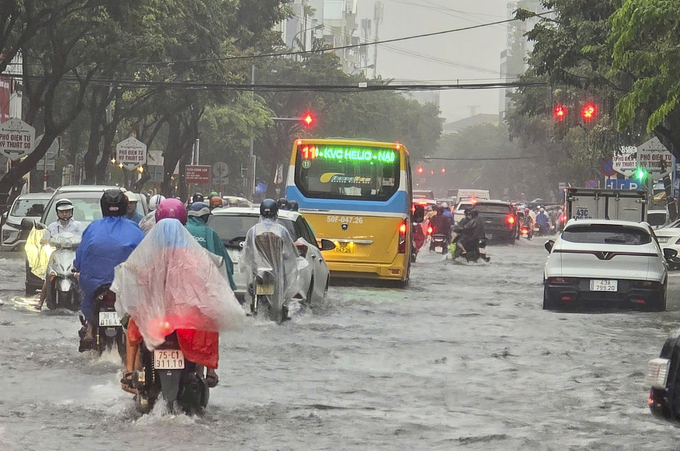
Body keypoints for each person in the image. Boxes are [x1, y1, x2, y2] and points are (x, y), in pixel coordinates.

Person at [114, 200, 244, 392]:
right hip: (186, 318)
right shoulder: (196, 255)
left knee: (134, 322)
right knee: (210, 323)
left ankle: (128, 372)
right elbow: (209, 281)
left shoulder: (152, 253)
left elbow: (140, 275)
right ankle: (210, 372)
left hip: (159, 317)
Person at [73, 189, 145, 351]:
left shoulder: (92, 228)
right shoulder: (135, 229)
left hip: (95, 283)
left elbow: (81, 254)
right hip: (126, 284)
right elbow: (144, 256)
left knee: (87, 297)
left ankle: (91, 328)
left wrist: (77, 267)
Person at [241, 199, 300, 321]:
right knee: (282, 294)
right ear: (276, 213)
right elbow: (290, 252)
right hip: (277, 271)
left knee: (253, 289)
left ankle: (255, 308)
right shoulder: (281, 231)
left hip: (259, 271)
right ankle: (282, 309)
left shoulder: (253, 231)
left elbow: (247, 251)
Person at [37, 199, 85, 310]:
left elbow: (85, 238)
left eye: (67, 211)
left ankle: (86, 300)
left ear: (71, 212)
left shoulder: (78, 226)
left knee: (81, 276)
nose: (65, 214)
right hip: (57, 253)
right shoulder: (52, 226)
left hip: (74, 253)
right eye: (62, 212)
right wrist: (45, 241)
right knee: (49, 276)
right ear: (57, 213)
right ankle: (41, 301)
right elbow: (45, 238)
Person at [186, 201, 237, 292]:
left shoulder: (181, 229)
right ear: (204, 216)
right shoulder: (210, 233)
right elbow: (223, 260)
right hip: (205, 283)